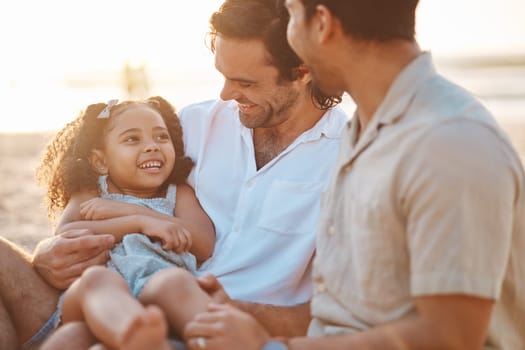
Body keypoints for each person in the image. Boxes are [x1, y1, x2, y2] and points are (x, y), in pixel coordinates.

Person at [0, 0, 348, 348]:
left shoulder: (348, 159)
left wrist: (246, 315)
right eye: (222, 75)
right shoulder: (192, 125)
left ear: (302, 71)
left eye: (244, 82)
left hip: (210, 327)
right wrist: (48, 253)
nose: (225, 94)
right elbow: (101, 189)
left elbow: (344, 307)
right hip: (115, 298)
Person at [183, 0, 525, 349]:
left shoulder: (448, 141)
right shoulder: (366, 130)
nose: (286, 35)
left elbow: (451, 338)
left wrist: (269, 347)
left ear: (321, 23)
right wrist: (250, 316)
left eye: (292, 15)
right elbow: (348, 313)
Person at [34, 96, 215, 349]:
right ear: (101, 161)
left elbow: (204, 242)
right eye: (132, 139)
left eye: (161, 137)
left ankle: (216, 340)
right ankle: (132, 334)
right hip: (97, 302)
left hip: (158, 288)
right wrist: (137, 222)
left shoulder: (178, 193)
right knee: (95, 281)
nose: (152, 146)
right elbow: (66, 233)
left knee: (177, 282)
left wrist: (133, 212)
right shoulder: (93, 192)